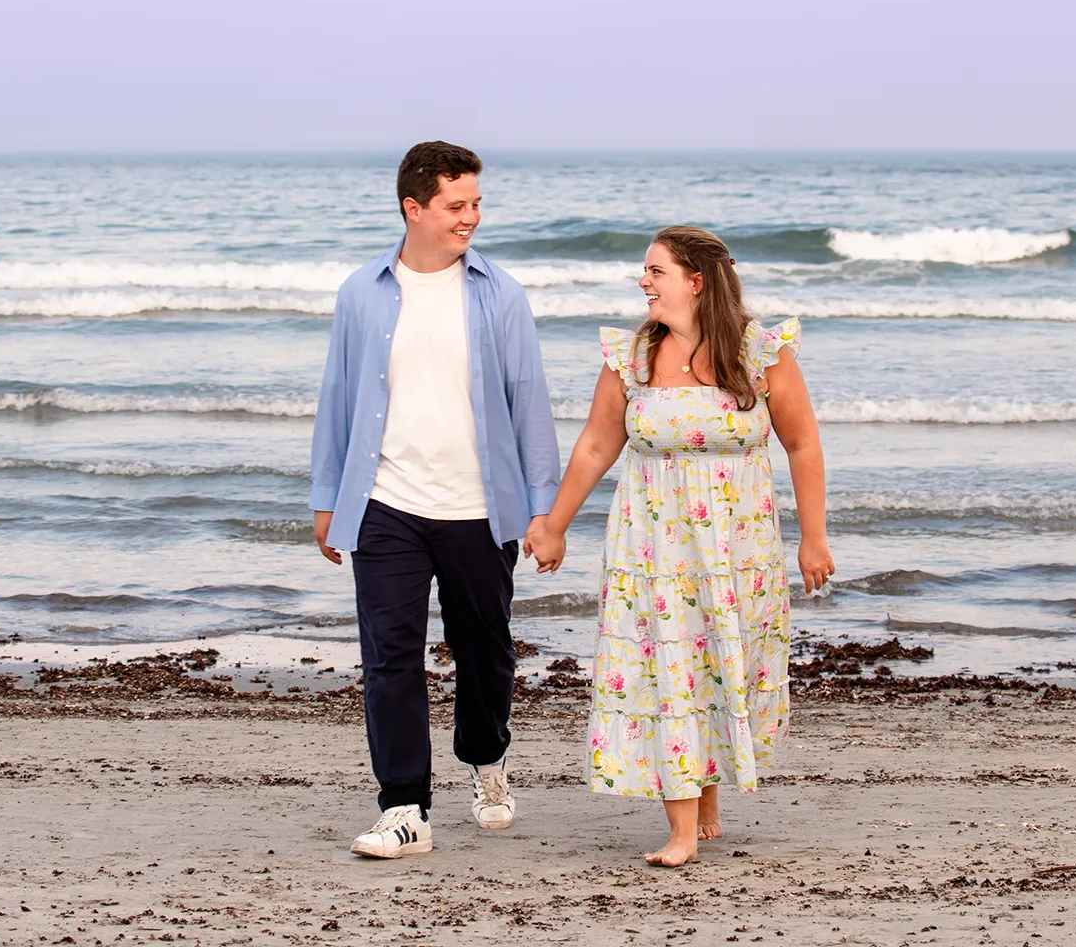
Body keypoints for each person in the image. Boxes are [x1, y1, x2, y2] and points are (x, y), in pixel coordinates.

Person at [522, 225, 833, 867]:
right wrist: (554, 523)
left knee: (724, 664)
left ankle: (707, 791)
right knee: (666, 672)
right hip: (654, 549)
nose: (643, 281)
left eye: (655, 271)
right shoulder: (631, 358)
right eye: (645, 270)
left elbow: (801, 445)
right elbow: (596, 446)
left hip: (737, 549)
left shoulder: (760, 353)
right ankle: (683, 830)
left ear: (696, 281)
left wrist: (814, 538)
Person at [309, 141, 561, 860]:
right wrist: (328, 492)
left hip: (480, 507)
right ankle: (404, 809)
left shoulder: (499, 294)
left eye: (476, 203)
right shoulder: (362, 292)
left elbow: (528, 404)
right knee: (389, 656)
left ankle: (487, 759)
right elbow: (337, 396)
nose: (471, 217)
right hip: (386, 501)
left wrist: (542, 508)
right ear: (412, 208)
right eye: (457, 205)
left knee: (484, 653)